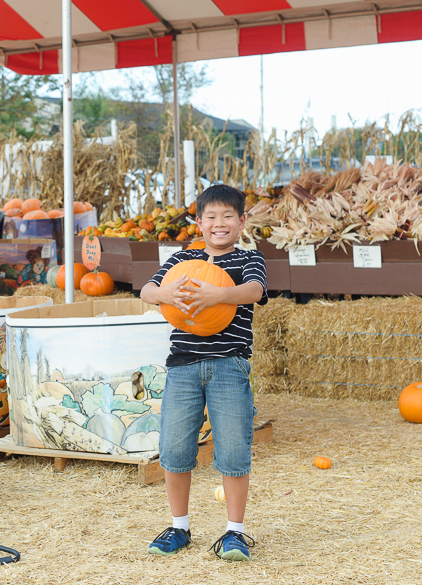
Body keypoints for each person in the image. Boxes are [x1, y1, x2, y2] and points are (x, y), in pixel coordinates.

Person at [139, 185, 267, 562]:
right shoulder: (181, 261)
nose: (219, 223)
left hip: (230, 366)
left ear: (242, 221)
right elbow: (148, 290)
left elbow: (255, 291)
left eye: (228, 216)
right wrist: (165, 295)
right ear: (199, 222)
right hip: (183, 367)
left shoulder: (248, 260)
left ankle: (235, 533)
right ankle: (179, 526)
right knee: (175, 448)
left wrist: (217, 295)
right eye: (210, 217)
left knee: (232, 448)